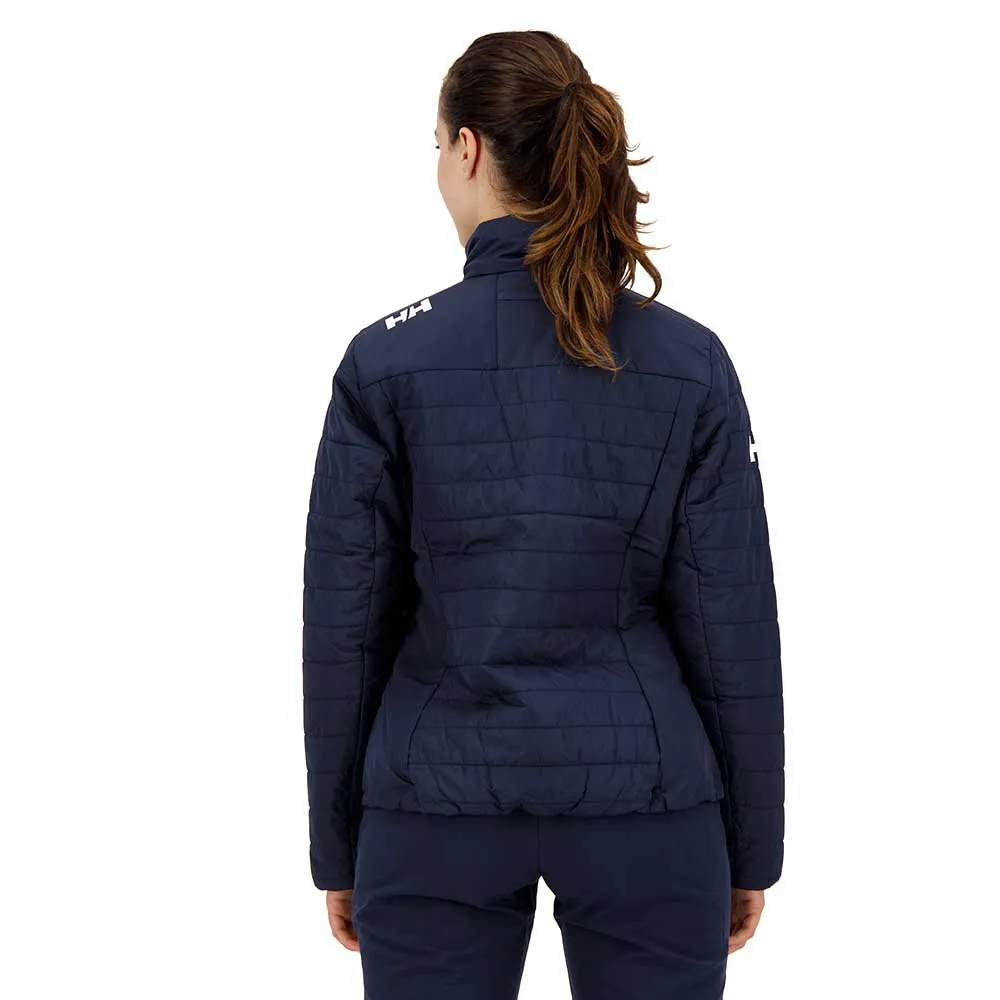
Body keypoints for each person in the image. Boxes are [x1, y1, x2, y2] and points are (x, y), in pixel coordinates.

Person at [302, 29, 784, 1000]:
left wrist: (339, 845)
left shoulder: (383, 363)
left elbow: (345, 629)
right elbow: (730, 624)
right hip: (649, 807)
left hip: (432, 807)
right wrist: (751, 846)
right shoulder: (689, 363)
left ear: (468, 149)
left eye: (436, 144)